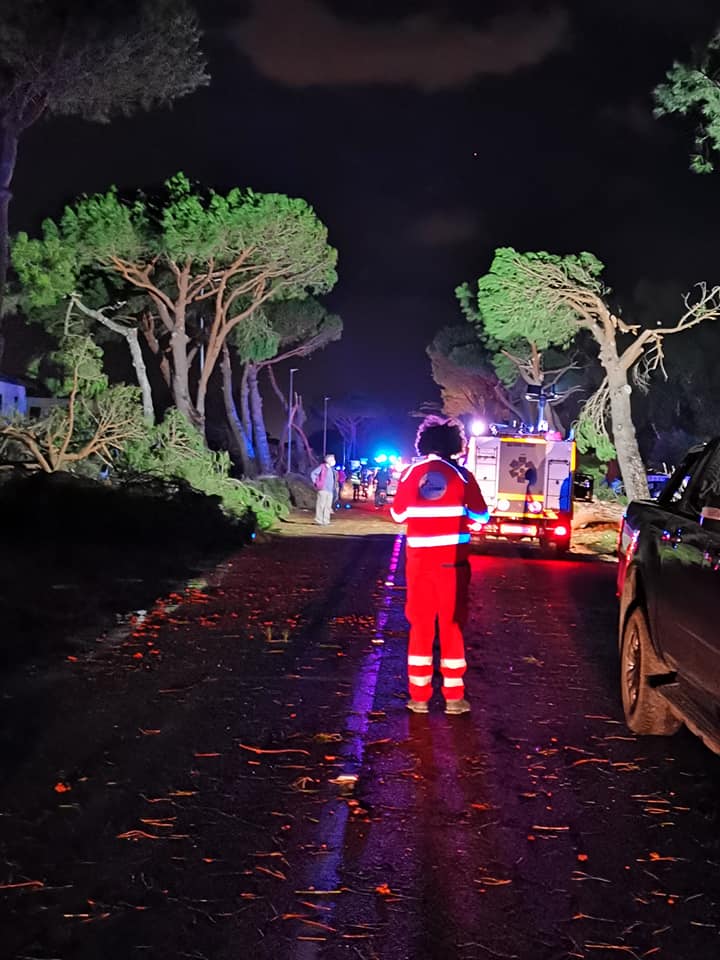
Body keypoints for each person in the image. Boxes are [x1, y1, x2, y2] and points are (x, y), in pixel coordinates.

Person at [391, 416, 489, 715]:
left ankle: (419, 697)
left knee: (420, 625)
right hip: (453, 565)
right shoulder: (462, 476)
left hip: (419, 565)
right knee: (452, 625)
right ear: (455, 445)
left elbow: (398, 515)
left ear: (424, 443)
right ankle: (454, 698)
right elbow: (482, 516)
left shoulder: (410, 474)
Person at [310, 453, 336, 525]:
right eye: (333, 459)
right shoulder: (322, 467)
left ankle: (326, 521)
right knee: (321, 505)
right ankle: (319, 520)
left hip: (330, 490)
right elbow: (313, 473)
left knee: (328, 506)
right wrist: (316, 483)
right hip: (323, 489)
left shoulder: (331, 469)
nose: (334, 461)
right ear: (329, 460)